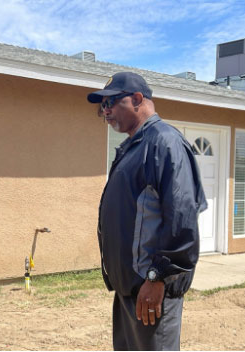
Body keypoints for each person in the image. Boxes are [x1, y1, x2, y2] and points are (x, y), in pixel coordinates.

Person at [88, 72, 207, 350]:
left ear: (138, 99)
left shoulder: (164, 143)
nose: (105, 111)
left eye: (111, 102)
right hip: (130, 291)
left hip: (152, 292)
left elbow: (182, 220)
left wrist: (157, 278)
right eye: (101, 106)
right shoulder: (134, 146)